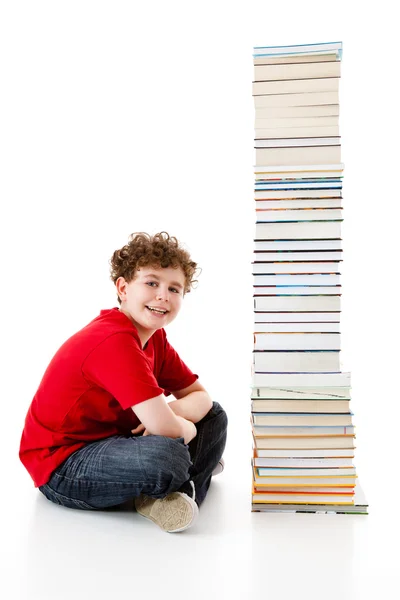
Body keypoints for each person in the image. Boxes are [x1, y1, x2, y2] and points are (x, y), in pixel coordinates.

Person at [19, 231, 227, 533]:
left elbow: (201, 397)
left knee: (216, 414)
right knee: (168, 454)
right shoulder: (113, 339)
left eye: (174, 289)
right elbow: (166, 430)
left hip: (115, 443)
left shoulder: (156, 339)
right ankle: (193, 474)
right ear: (123, 287)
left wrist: (176, 418)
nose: (163, 296)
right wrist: (187, 429)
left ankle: (176, 489)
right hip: (63, 466)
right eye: (152, 283)